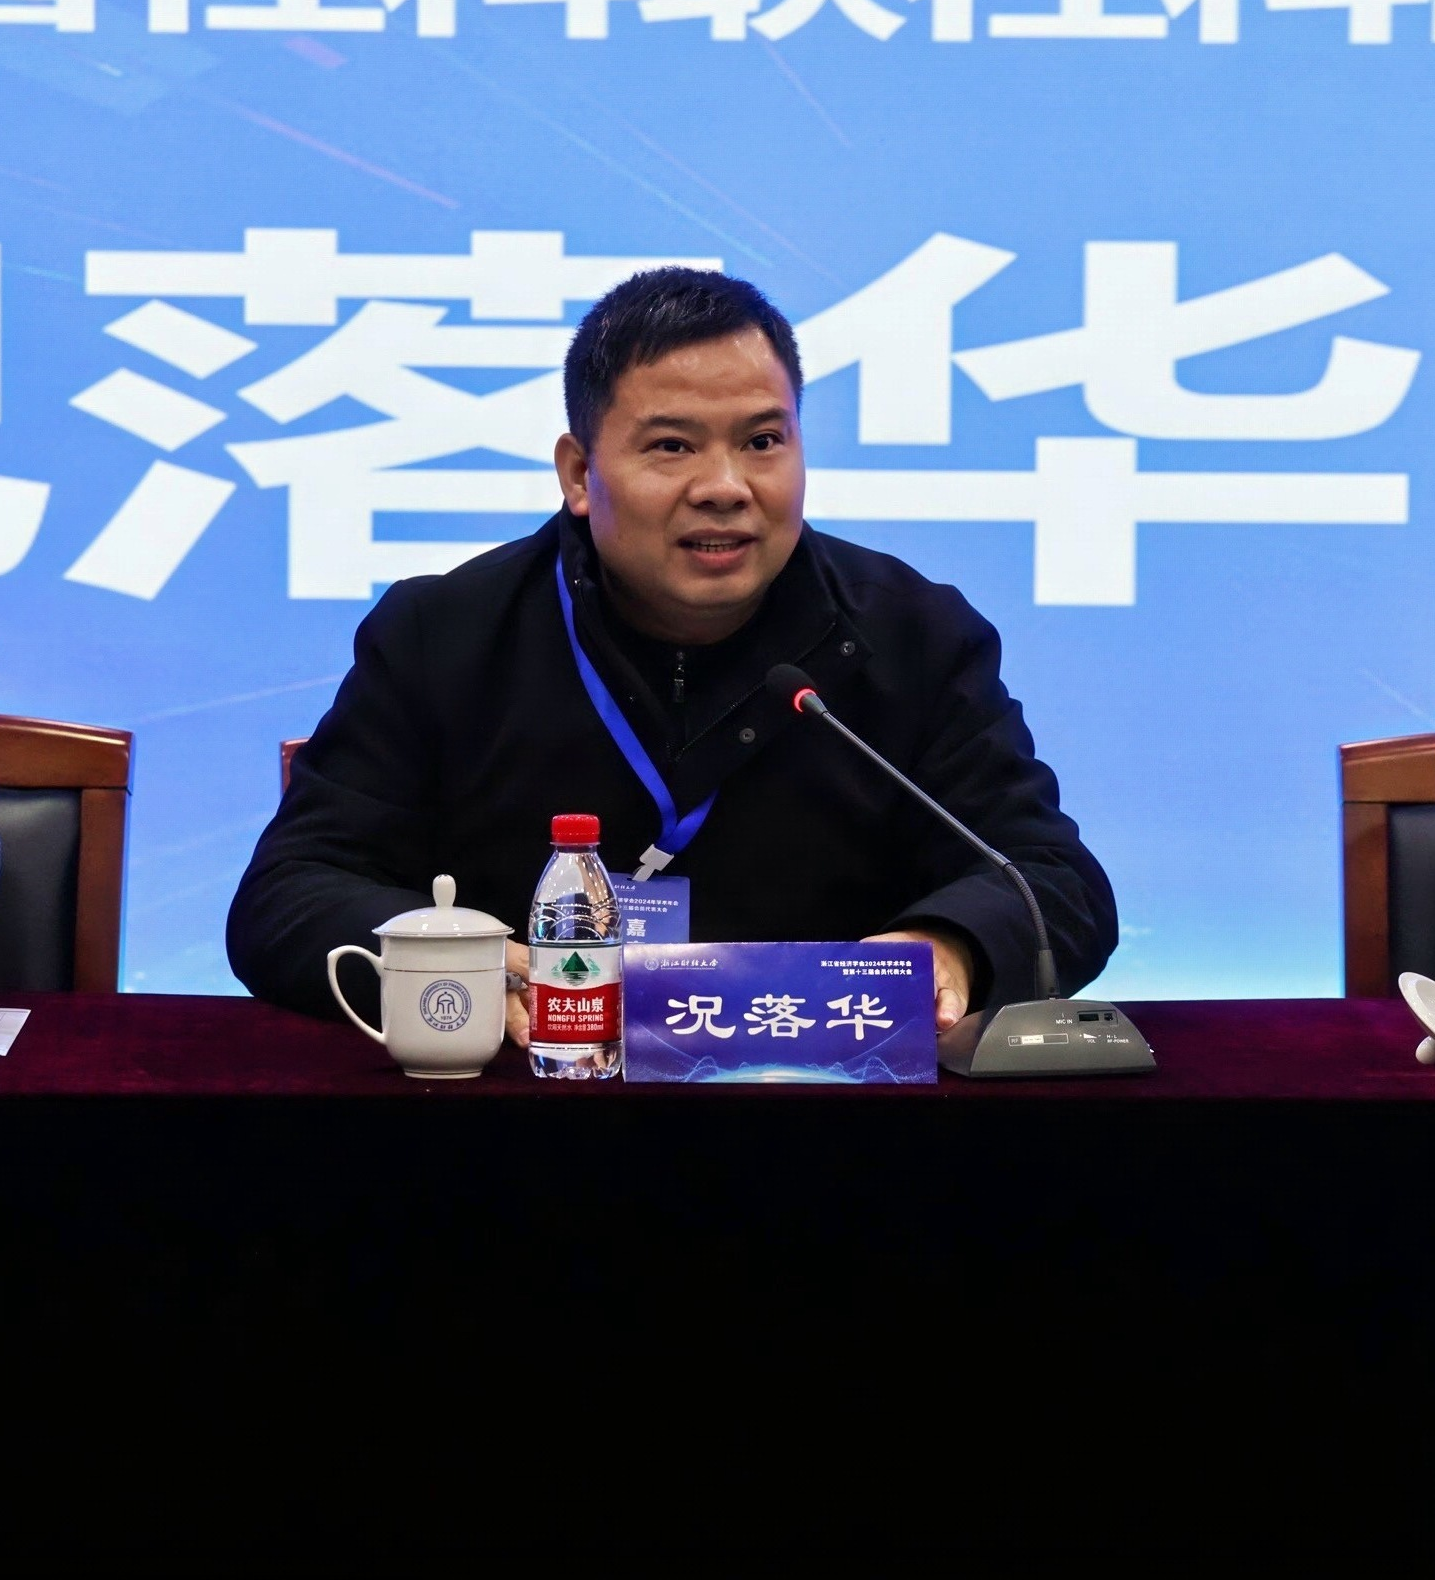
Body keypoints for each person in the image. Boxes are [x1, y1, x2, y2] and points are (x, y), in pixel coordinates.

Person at [228, 267, 1114, 1035]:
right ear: (580, 473)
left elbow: (1051, 879)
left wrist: (947, 948)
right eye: (671, 447)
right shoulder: (447, 633)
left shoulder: (912, 633)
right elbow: (291, 892)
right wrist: (450, 963)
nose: (724, 487)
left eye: (762, 442)